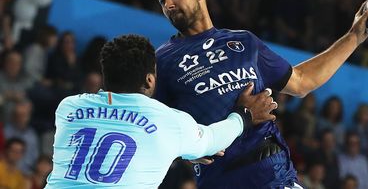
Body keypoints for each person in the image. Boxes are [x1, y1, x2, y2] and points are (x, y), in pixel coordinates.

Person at [155, 0, 368, 188]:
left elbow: (301, 81)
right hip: (220, 180)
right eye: (162, 0)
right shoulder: (163, 60)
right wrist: (185, 151)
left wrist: (354, 37)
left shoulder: (244, 42)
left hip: (273, 174)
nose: (168, 5)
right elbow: (152, 126)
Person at [45, 34, 277, 188]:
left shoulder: (69, 108)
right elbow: (213, 139)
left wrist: (177, 149)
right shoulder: (168, 121)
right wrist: (244, 115)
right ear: (149, 79)